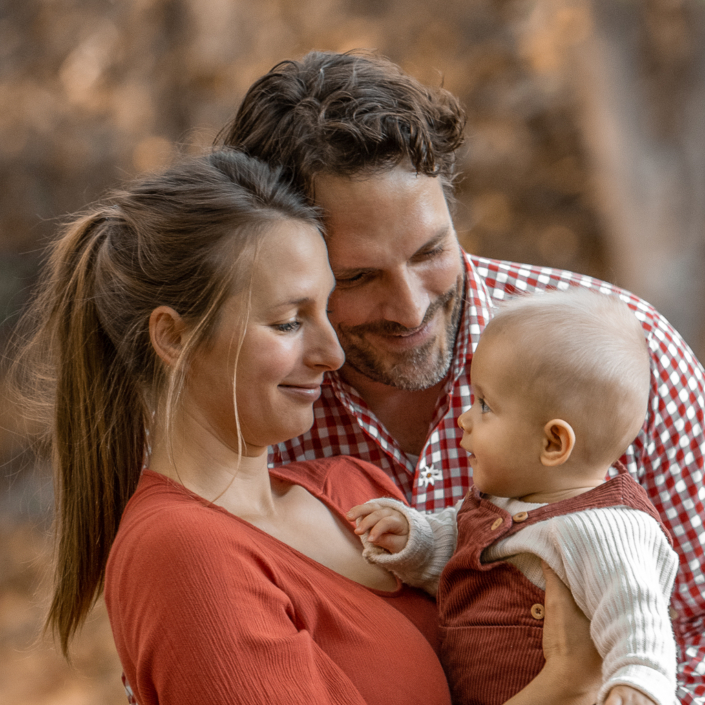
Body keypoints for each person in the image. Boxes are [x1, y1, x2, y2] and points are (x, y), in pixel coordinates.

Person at [10, 149, 602, 705]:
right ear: (174, 337)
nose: (332, 354)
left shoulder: (356, 491)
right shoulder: (182, 555)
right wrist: (566, 683)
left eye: (325, 310)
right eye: (290, 322)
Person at [217, 51, 705, 702]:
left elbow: (696, 623)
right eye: (357, 277)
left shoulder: (622, 356)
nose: (411, 307)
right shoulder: (246, 412)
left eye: (429, 252)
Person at [348, 288, 679, 705]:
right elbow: (458, 553)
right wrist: (415, 539)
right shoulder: (501, 504)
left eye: (485, 405)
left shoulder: (607, 528)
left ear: (553, 442)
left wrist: (638, 685)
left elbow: (638, 617)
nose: (465, 419)